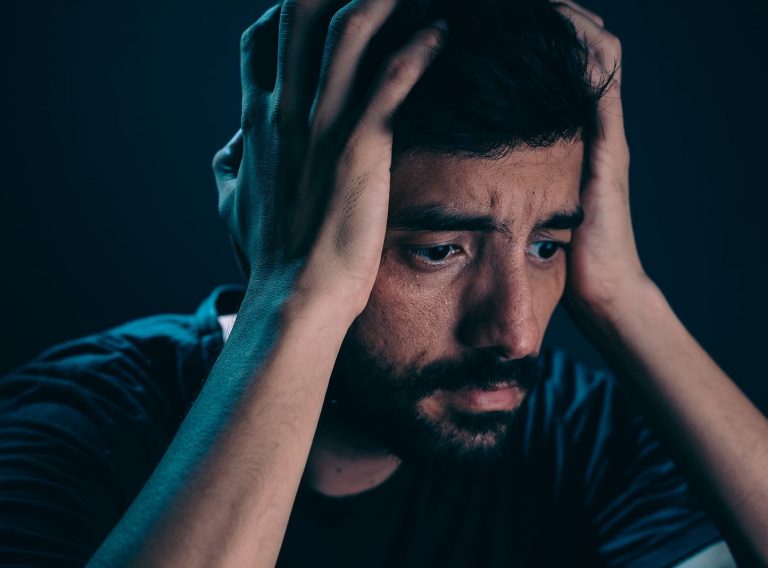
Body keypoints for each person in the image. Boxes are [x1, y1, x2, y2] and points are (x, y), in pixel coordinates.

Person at [1, 0, 766, 565]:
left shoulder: (579, 435)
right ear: (283, 221)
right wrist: (294, 298)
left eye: (546, 247)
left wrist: (626, 298)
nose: (516, 331)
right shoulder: (81, 426)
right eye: (439, 250)